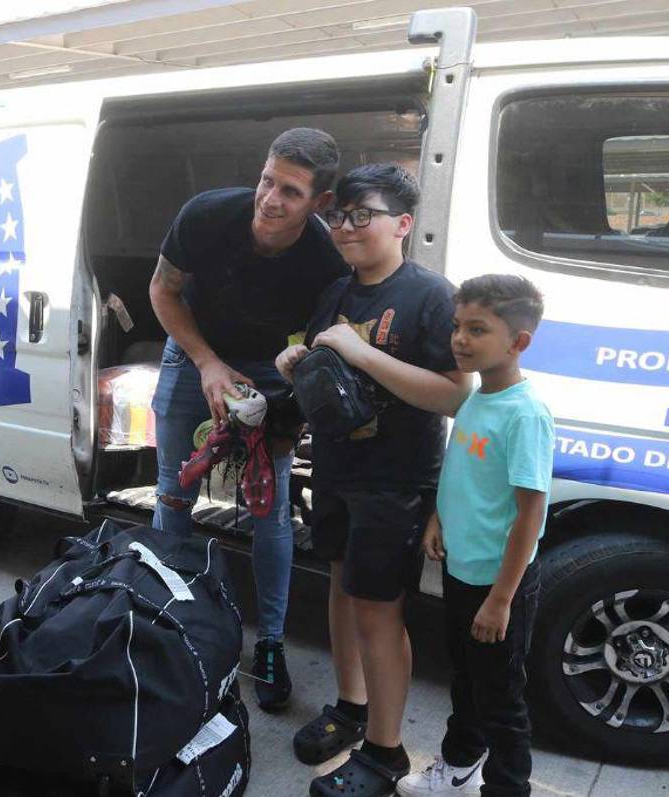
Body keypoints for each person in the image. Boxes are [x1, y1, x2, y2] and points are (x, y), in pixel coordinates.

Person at [275, 163, 469, 797]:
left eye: (363, 216)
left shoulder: (430, 296)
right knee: (339, 589)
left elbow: (454, 395)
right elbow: (323, 369)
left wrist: (362, 354)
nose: (346, 228)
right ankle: (351, 708)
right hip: (336, 468)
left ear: (403, 224)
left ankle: (386, 755)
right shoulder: (335, 293)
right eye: (339, 217)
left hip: (396, 481)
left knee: (380, 613)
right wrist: (295, 362)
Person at [148, 128, 349, 710]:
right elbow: (163, 291)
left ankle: (271, 645)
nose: (270, 199)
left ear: (320, 203)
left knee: (270, 504)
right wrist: (207, 362)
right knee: (173, 491)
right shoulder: (206, 214)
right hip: (194, 348)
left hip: (273, 362)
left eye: (290, 191)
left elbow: (316, 344)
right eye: (268, 180)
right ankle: (172, 625)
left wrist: (287, 410)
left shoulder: (324, 257)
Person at [396, 274, 554, 797]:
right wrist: (439, 519)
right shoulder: (474, 398)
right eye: (457, 326)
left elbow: (530, 513)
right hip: (463, 572)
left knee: (501, 699)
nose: (460, 339)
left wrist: (502, 599)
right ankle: (459, 764)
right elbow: (462, 470)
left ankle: (507, 787)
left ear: (518, 342)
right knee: (465, 681)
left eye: (477, 329)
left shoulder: (525, 414)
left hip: (497, 585)